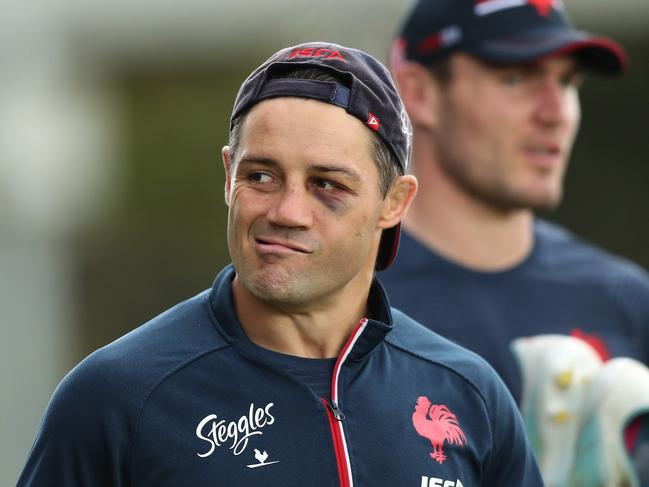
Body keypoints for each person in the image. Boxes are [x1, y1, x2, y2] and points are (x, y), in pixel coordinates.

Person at [17, 42, 542, 486]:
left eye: (327, 185)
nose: (287, 212)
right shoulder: (116, 397)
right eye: (262, 176)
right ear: (228, 176)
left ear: (394, 202)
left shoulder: (470, 395)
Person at [381, 0, 649, 404]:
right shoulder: (346, 296)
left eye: (567, 82)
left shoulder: (625, 300)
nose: (556, 112)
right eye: (516, 78)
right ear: (419, 93)